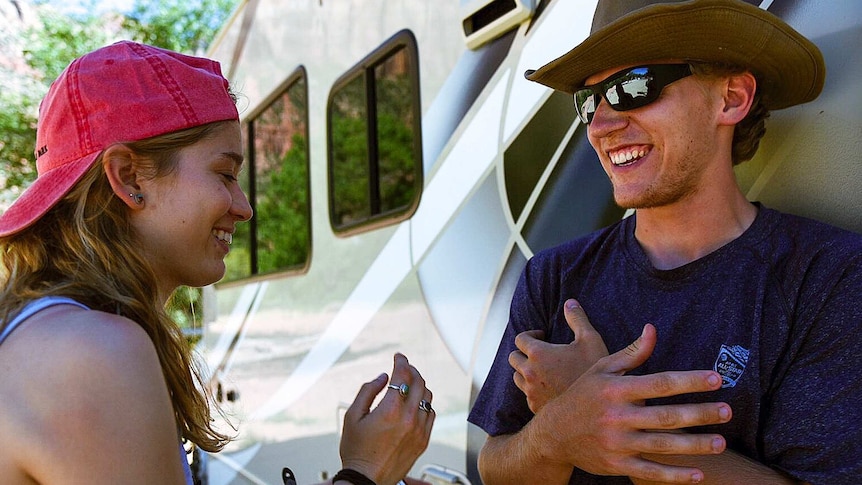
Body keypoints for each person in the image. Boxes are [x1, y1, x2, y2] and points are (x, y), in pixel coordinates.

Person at [0, 41, 434, 485]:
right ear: (129, 177)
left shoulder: (56, 334)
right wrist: (364, 474)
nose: (244, 207)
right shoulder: (91, 354)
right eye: (225, 174)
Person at [467, 1, 862, 484]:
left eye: (635, 87)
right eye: (588, 102)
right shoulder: (553, 276)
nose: (600, 126)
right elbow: (495, 466)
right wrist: (558, 429)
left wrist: (606, 417)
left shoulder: (827, 277)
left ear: (731, 98)